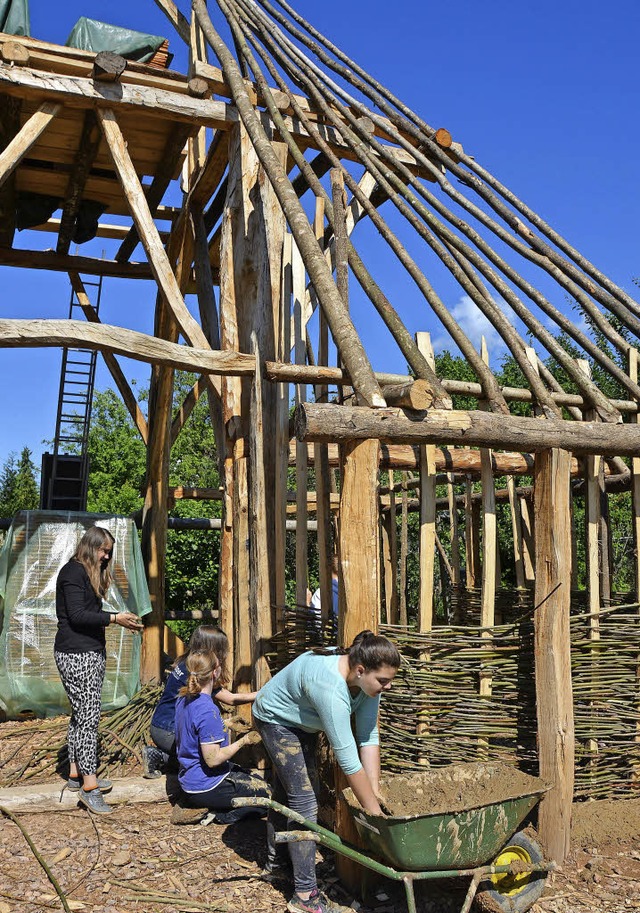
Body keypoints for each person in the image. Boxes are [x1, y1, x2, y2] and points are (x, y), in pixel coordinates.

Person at [252, 630, 401, 913]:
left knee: (288, 793)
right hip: (275, 720)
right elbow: (348, 760)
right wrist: (374, 815)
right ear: (360, 670)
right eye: (384, 680)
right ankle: (305, 897)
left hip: (303, 721)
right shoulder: (331, 688)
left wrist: (375, 794)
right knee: (305, 800)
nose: (388, 686)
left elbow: (368, 738)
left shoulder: (368, 681)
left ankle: (277, 864)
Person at [54, 525, 143, 815]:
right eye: (103, 550)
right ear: (90, 546)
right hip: (77, 654)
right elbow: (79, 615)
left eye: (109, 551)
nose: (106, 556)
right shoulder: (73, 572)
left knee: (80, 714)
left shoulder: (83, 574)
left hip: (87, 652)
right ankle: (90, 788)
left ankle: (76, 773)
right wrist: (116, 618)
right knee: (89, 718)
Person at [144, 625, 256, 778]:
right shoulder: (197, 672)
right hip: (168, 731)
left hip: (161, 725)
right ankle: (161, 757)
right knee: (208, 758)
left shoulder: (187, 664)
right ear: (212, 648)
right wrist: (262, 694)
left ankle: (159, 756)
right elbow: (230, 699)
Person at [175, 651, 270, 823]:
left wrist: (225, 724)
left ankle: (208, 804)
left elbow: (194, 731)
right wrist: (244, 741)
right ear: (214, 673)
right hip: (206, 785)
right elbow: (213, 759)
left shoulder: (183, 698)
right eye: (219, 665)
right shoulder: (207, 710)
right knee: (268, 799)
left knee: (256, 781)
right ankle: (218, 815)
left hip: (190, 778)